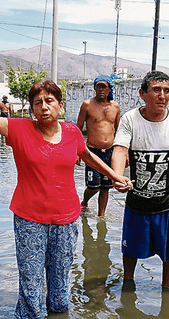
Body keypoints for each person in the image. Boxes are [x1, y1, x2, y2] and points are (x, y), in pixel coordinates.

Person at [0, 67, 133, 319]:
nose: (44, 107)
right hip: (30, 220)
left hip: (66, 219)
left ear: (60, 105)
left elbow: (88, 156)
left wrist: (114, 175)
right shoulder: (19, 130)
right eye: (37, 103)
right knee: (31, 284)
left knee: (60, 289)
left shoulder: (72, 132)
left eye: (49, 101)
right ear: (31, 108)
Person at [111, 71, 169, 290]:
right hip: (137, 203)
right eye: (156, 90)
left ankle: (166, 289)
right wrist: (118, 176)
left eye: (167, 91)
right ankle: (128, 283)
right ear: (143, 94)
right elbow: (120, 151)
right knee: (130, 249)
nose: (162, 96)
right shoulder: (130, 119)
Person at [77, 75, 121, 217]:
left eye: (104, 87)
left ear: (110, 89)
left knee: (105, 188)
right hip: (92, 152)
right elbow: (78, 129)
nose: (101, 89)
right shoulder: (87, 104)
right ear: (95, 88)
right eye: (99, 86)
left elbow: (119, 131)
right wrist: (77, 152)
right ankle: (84, 201)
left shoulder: (115, 106)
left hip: (109, 152)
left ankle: (101, 217)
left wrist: (123, 154)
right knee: (93, 186)